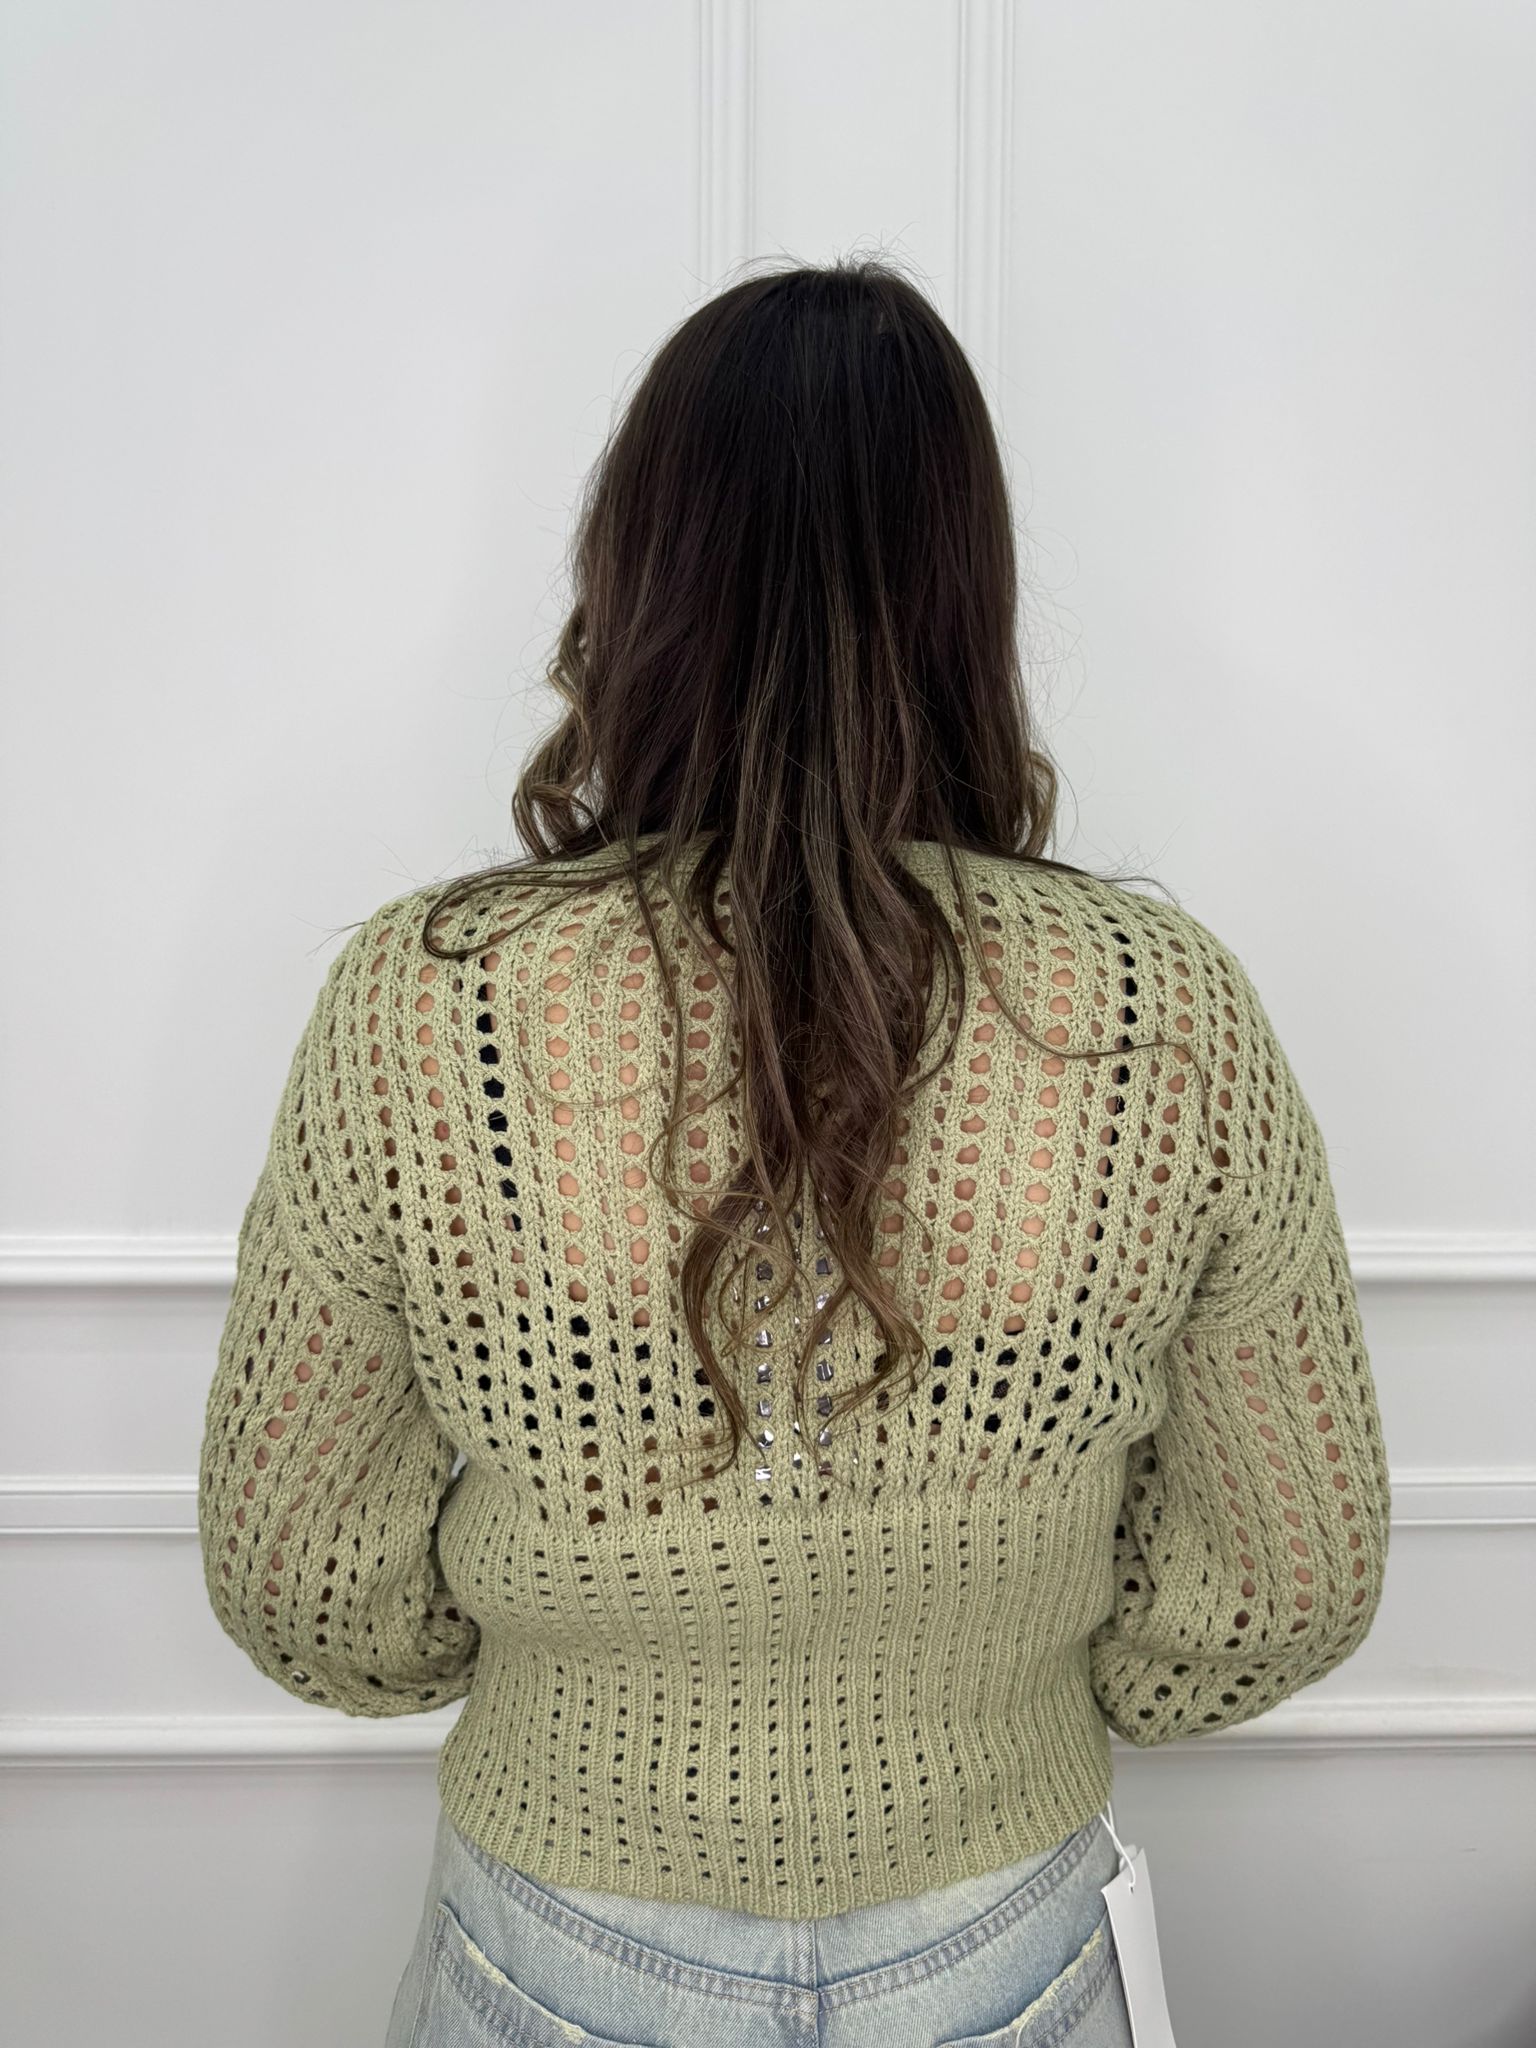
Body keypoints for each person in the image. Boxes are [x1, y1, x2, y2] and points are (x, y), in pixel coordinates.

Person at [196, 257, 1392, 2048]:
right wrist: (1016, 1681)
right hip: (1001, 1926)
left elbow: (303, 1576)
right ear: (965, 588)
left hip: (556, 1932)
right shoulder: (1157, 1006)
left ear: (638, 568)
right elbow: (1289, 1571)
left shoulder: (428, 1004)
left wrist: (559, 1656)